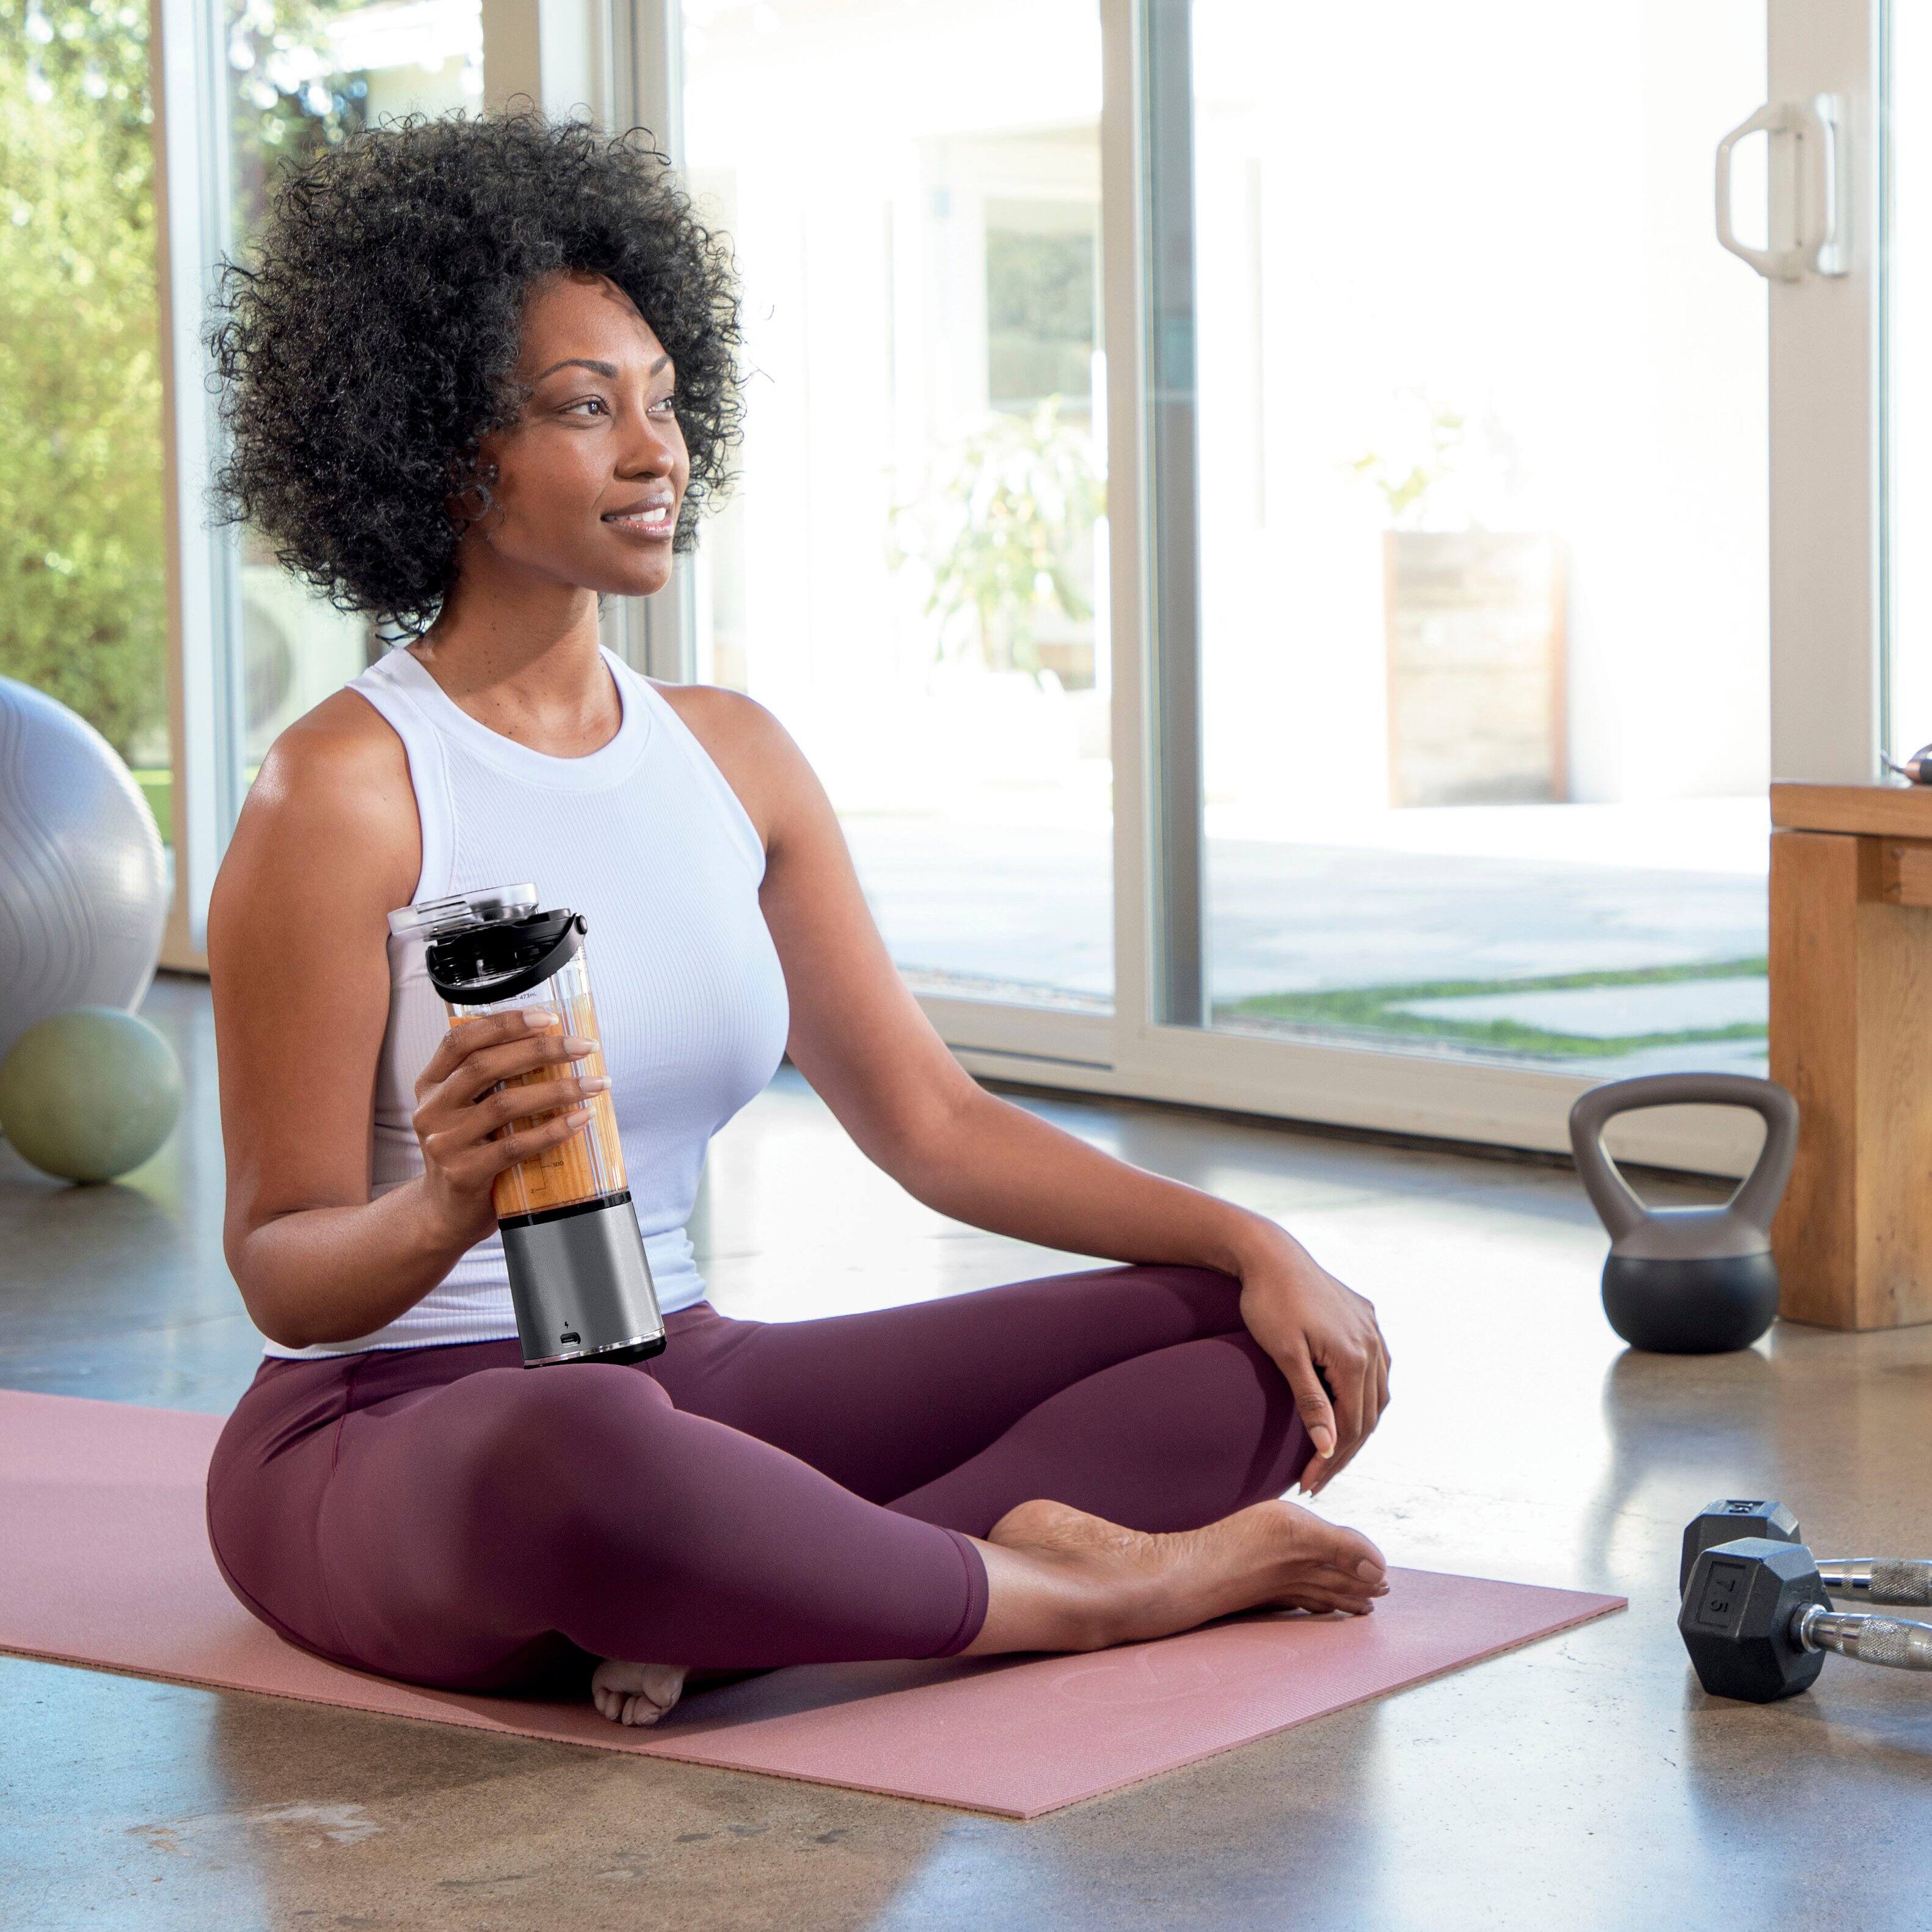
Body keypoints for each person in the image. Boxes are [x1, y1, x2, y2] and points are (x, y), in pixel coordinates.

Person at [202, 112, 1393, 1728]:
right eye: (581, 409)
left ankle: (762, 1591)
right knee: (589, 1447)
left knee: (1237, 1335)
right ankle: (1070, 1585)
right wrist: (445, 1204)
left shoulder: (733, 757)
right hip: (397, 1431)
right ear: (445, 450)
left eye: (664, 402)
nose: (654, 450)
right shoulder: (341, 786)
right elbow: (281, 1269)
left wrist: (1254, 1239)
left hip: (679, 1374)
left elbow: (935, 1122)